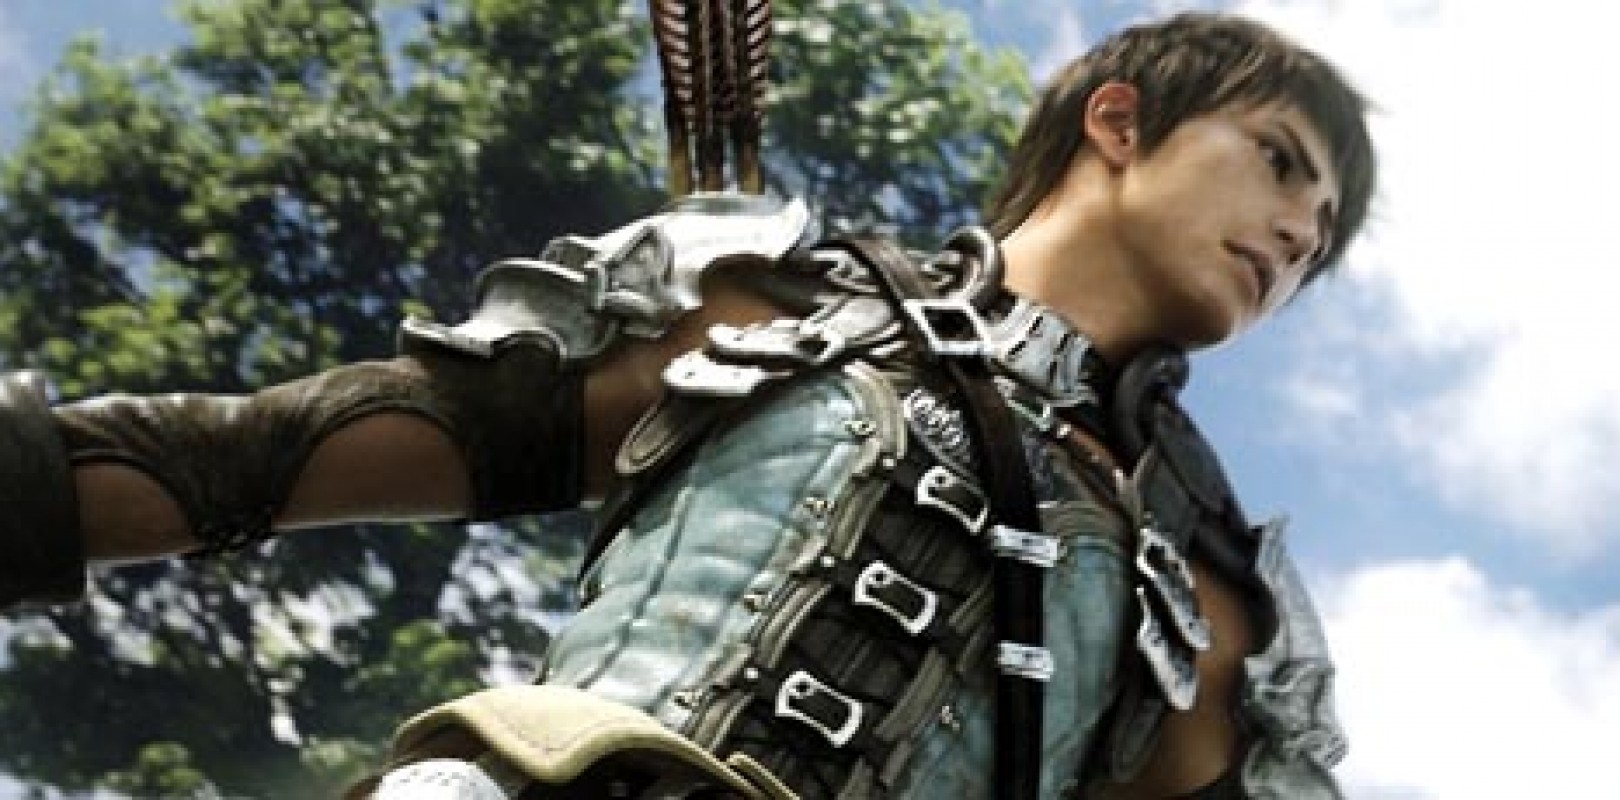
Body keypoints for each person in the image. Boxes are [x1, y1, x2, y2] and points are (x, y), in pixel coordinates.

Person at [0, 10, 1375, 799]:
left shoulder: (1212, 589)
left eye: (1320, 235)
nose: (1296, 231)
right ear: (1119, 123)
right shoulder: (770, 305)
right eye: (1279, 163)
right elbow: (267, 460)